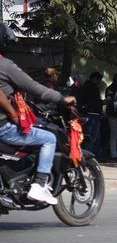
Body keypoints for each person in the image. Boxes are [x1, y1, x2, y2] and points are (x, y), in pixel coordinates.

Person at [0, 24, 76, 205]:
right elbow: (35, 88)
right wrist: (61, 98)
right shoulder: (5, 65)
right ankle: (39, 185)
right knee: (48, 138)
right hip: (3, 127)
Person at [78, 71, 103, 157]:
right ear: (95, 79)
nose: (100, 82)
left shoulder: (84, 87)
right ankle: (89, 156)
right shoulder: (93, 88)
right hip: (93, 114)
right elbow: (95, 102)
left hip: (85, 113)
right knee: (92, 137)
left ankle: (86, 154)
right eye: (99, 80)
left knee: (87, 136)